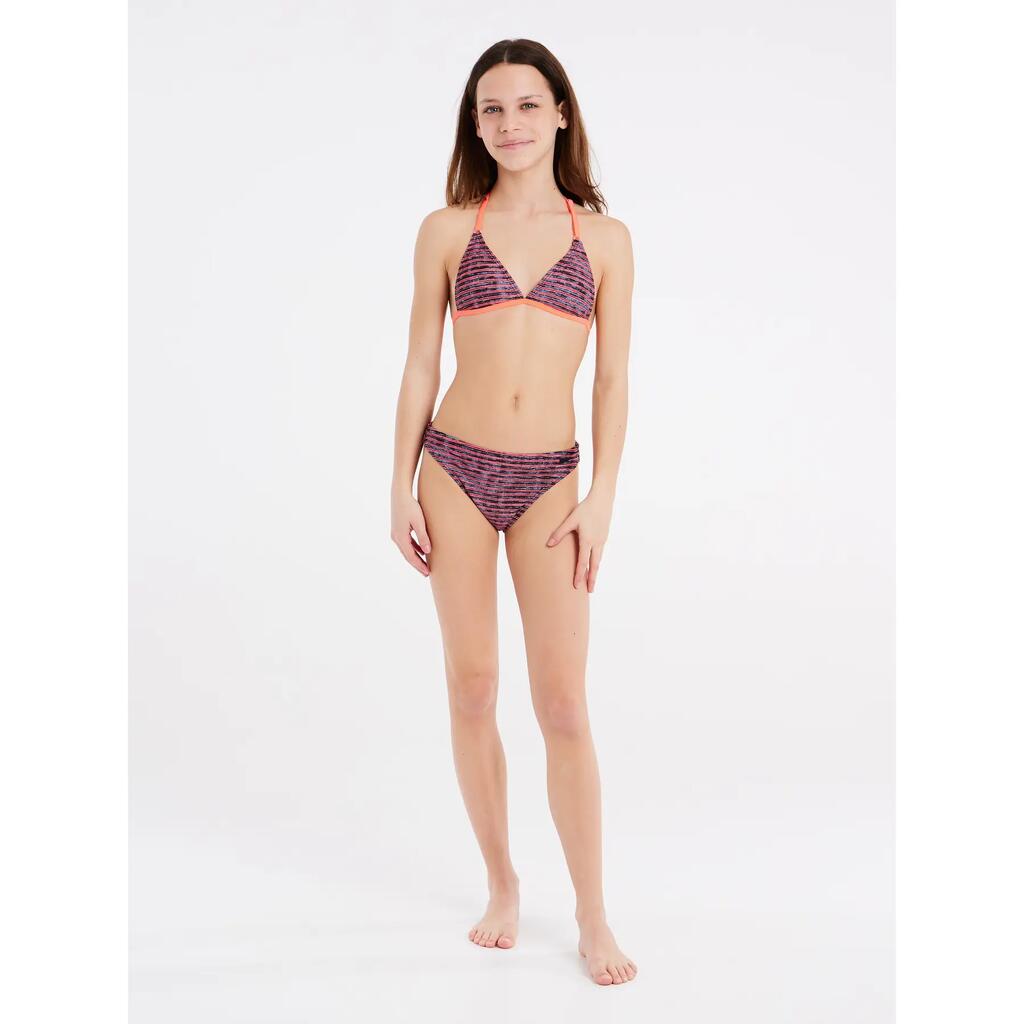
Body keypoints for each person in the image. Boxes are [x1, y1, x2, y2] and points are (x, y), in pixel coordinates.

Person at [390, 38, 636, 987]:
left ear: (561, 113)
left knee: (564, 703)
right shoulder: (447, 230)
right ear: (475, 124)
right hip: (453, 469)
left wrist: (603, 497)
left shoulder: (604, 241)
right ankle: (501, 882)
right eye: (492, 109)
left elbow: (611, 379)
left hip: (551, 486)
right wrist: (399, 485)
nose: (511, 124)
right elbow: (421, 363)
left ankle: (593, 914)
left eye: (528, 105)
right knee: (473, 687)